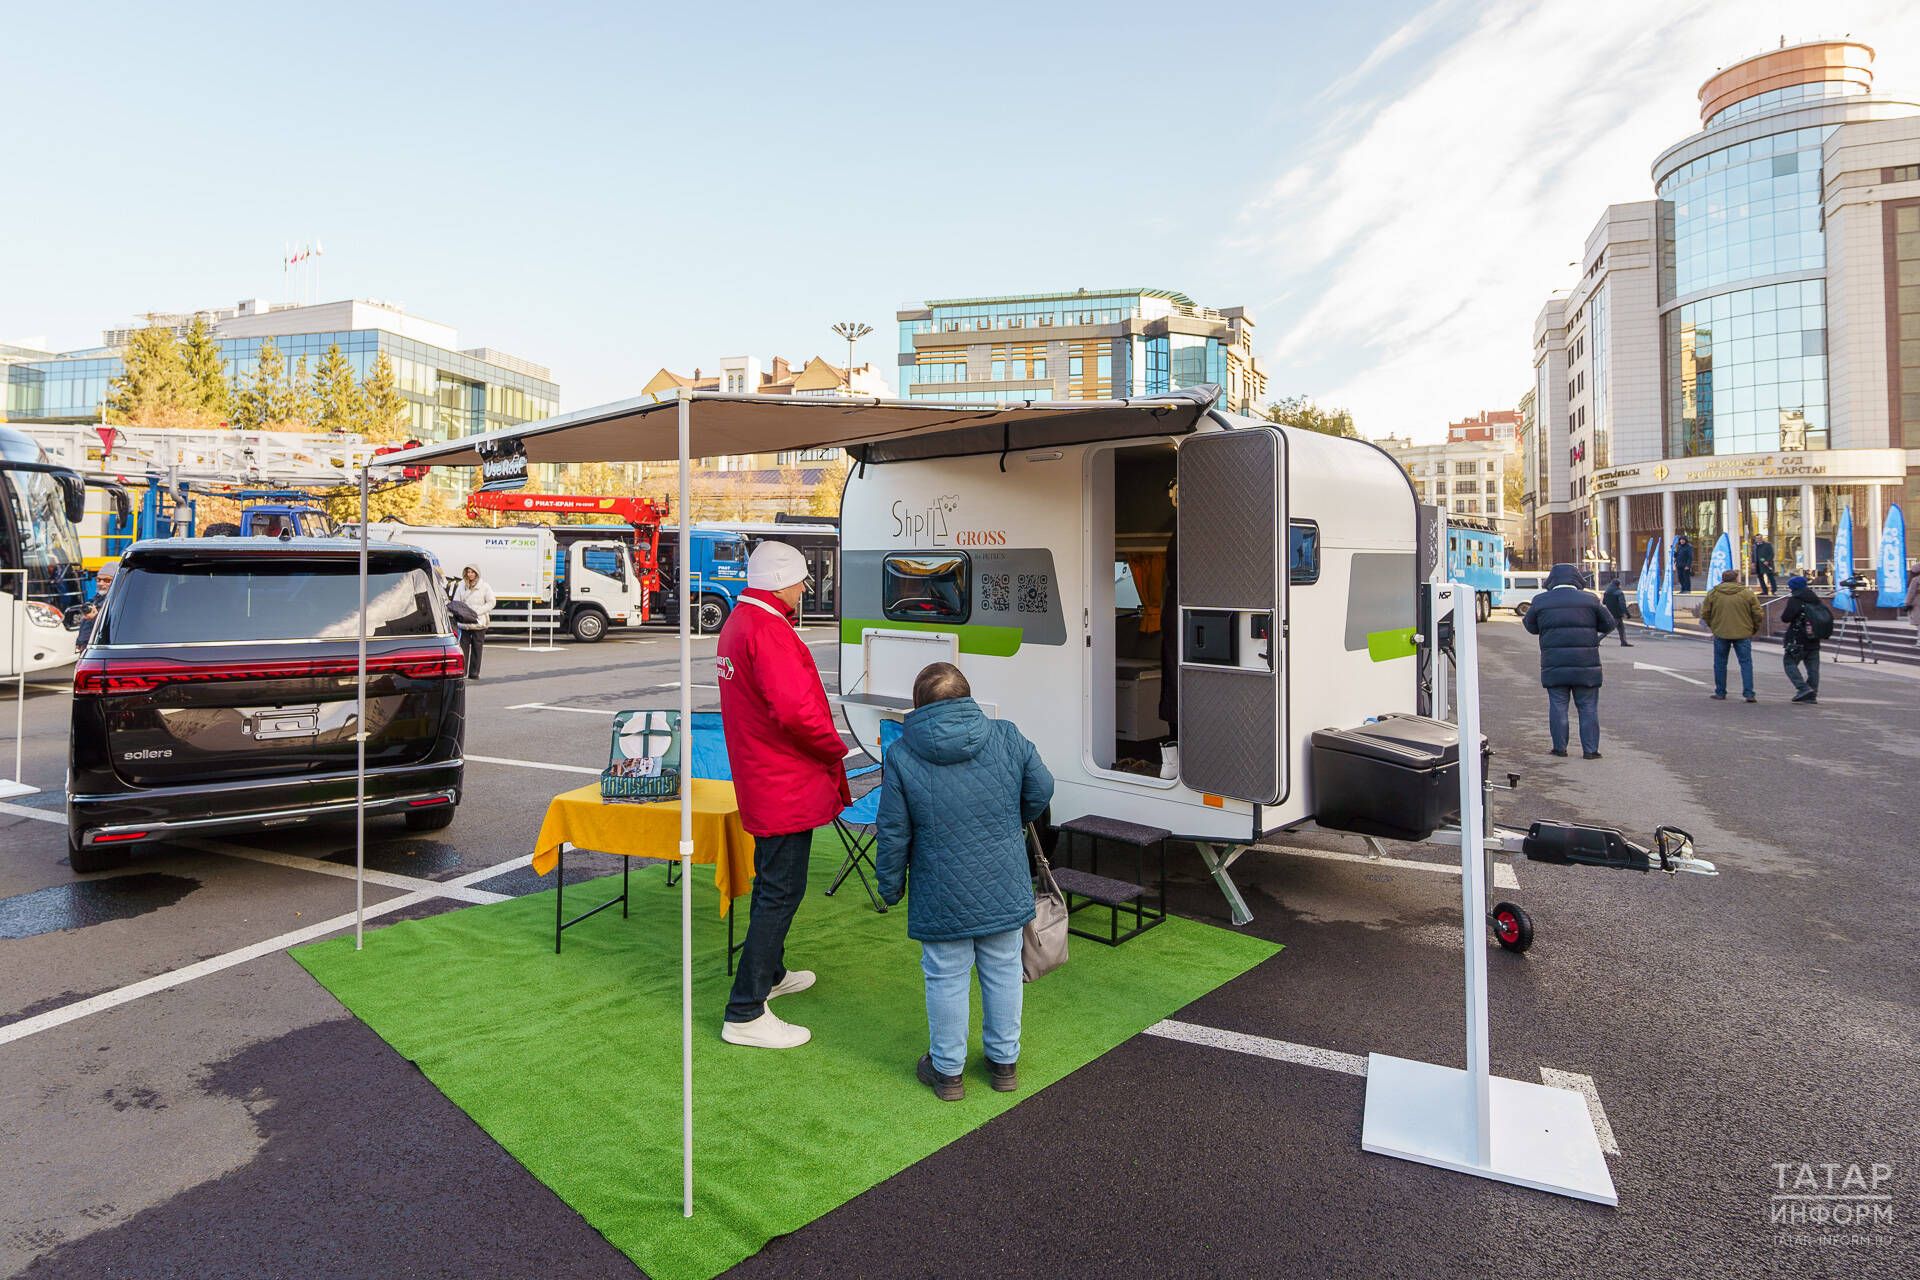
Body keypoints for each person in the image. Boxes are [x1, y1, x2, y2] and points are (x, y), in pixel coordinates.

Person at [877, 662, 1054, 1101]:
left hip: (940, 889)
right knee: (1003, 970)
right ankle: (1003, 1064)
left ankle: (948, 1072)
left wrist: (890, 886)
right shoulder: (1007, 735)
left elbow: (894, 831)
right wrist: (1012, 821)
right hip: (1003, 878)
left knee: (945, 976)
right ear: (967, 698)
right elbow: (1042, 788)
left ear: (919, 705)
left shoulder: (901, 754)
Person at [716, 540, 851, 1050]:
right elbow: (797, 712)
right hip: (784, 780)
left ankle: (770, 975)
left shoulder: (740, 623)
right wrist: (833, 746)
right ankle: (745, 1010)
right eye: (799, 581)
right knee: (780, 890)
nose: (802, 589)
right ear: (780, 582)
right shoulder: (768, 629)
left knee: (775, 883)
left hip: (763, 775)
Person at [1521, 563, 1613, 759]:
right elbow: (1609, 623)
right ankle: (1590, 751)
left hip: (1554, 664)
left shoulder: (1540, 601)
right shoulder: (1590, 600)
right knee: (1588, 707)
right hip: (1586, 665)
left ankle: (1559, 748)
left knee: (1558, 705)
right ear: (1577, 579)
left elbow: (1530, 626)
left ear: (1552, 580)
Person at [1700, 568, 1764, 702]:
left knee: (1720, 663)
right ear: (1736, 579)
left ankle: (1720, 692)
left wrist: (1714, 626)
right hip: (1743, 632)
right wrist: (1753, 628)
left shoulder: (1713, 593)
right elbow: (1758, 613)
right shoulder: (1747, 593)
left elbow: (1705, 613)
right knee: (1746, 663)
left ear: (1722, 579)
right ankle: (1749, 693)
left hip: (1721, 632)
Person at [1157, 477, 1179, 779]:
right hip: (1176, 615)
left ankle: (1172, 762)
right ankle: (1173, 761)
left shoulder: (1180, 531)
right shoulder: (1185, 528)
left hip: (1174, 615)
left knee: (1175, 681)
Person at [1779, 575, 1830, 705]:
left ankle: (1803, 688)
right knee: (1813, 669)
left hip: (1797, 639)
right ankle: (1812, 694)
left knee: (1789, 663)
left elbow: (1786, 617)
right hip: (1813, 639)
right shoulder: (1815, 599)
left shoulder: (1795, 600)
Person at [450, 566, 495, 680]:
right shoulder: (461, 585)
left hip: (479, 623)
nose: (470, 574)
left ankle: (474, 673)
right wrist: (462, 612)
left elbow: (491, 602)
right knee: (463, 649)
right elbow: (456, 602)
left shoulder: (484, 586)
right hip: (464, 622)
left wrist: (479, 611)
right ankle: (462, 672)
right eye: (468, 572)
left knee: (477, 649)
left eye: (472, 572)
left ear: (476, 573)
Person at [76, 563, 116, 649]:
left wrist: (94, 618)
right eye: (98, 580)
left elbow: (111, 627)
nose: (101, 583)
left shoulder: (117, 602)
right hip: (86, 648)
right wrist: (79, 641)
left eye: (107, 580)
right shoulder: (96, 599)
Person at [1602, 577, 1633, 647]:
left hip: (1609, 612)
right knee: (1610, 628)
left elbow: (1604, 602)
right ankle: (1597, 639)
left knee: (1621, 628)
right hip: (1617, 613)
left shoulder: (1606, 592)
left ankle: (1623, 642)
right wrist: (1627, 614)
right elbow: (1622, 604)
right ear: (1618, 585)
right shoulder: (1619, 593)